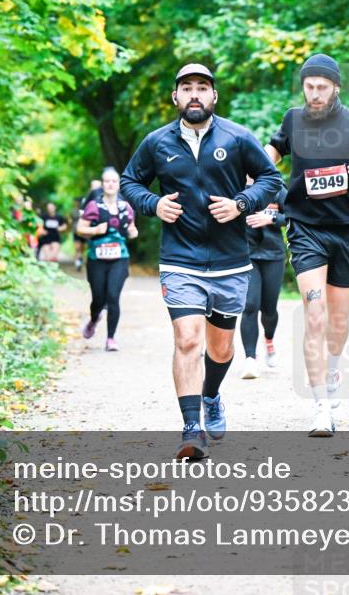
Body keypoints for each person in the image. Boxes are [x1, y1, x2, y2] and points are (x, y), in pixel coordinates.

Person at [120, 63, 282, 460]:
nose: (195, 94)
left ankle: (211, 396)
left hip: (230, 260)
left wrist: (241, 203)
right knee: (188, 340)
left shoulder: (239, 137)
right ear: (175, 97)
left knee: (222, 349)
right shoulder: (157, 142)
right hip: (180, 258)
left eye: (203, 88)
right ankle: (191, 430)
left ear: (214, 97)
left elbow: (271, 179)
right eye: (187, 88)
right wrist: (153, 203)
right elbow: (130, 182)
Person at [264, 53, 349, 437]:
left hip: (345, 230)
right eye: (309, 86)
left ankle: (333, 366)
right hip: (305, 229)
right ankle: (320, 408)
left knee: (337, 322)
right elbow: (272, 152)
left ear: (336, 88)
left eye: (322, 87)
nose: (314, 94)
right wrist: (262, 178)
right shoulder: (293, 119)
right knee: (314, 315)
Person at [77, 167, 139, 352]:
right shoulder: (94, 206)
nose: (110, 184)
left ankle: (111, 338)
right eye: (107, 181)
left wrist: (133, 232)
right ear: (102, 184)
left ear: (119, 185)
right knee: (98, 299)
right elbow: (80, 228)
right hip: (97, 258)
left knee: (113, 296)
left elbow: (132, 228)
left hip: (119, 258)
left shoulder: (125, 207)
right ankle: (94, 319)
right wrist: (95, 230)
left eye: (114, 181)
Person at [238, 180, 288, 380]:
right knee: (250, 305)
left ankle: (269, 340)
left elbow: (296, 215)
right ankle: (250, 359)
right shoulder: (235, 185)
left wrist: (272, 218)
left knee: (269, 310)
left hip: (273, 254)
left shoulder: (275, 187)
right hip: (245, 254)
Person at [74, 180, 103, 271]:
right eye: (93, 186)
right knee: (80, 247)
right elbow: (81, 213)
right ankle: (81, 261)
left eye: (97, 186)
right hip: (86, 228)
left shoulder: (107, 195)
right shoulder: (87, 199)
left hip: (100, 229)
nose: (95, 188)